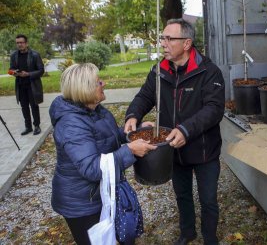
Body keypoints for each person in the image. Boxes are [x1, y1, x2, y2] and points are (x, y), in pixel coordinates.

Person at [124, 18, 225, 245]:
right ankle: (187, 232)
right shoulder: (159, 70)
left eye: (169, 38)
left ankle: (210, 238)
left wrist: (186, 129)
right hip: (173, 151)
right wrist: (133, 115)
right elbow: (145, 96)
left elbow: (214, 109)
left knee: (208, 199)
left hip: (204, 151)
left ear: (187, 43)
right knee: (182, 195)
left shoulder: (208, 72)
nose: (163, 43)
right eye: (162, 38)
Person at [49, 63, 156, 245]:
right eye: (98, 82)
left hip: (101, 193)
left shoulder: (95, 110)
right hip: (83, 204)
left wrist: (136, 132)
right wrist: (130, 150)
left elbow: (108, 136)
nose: (103, 83)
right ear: (85, 89)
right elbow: (92, 168)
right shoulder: (71, 124)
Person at [9, 34, 44, 135]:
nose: (19, 45)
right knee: (24, 107)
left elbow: (41, 70)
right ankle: (28, 127)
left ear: (26, 43)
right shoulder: (14, 55)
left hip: (32, 85)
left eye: (21, 42)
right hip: (20, 85)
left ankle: (36, 126)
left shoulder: (35, 55)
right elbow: (10, 70)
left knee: (34, 106)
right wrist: (14, 73)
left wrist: (28, 74)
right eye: (17, 43)